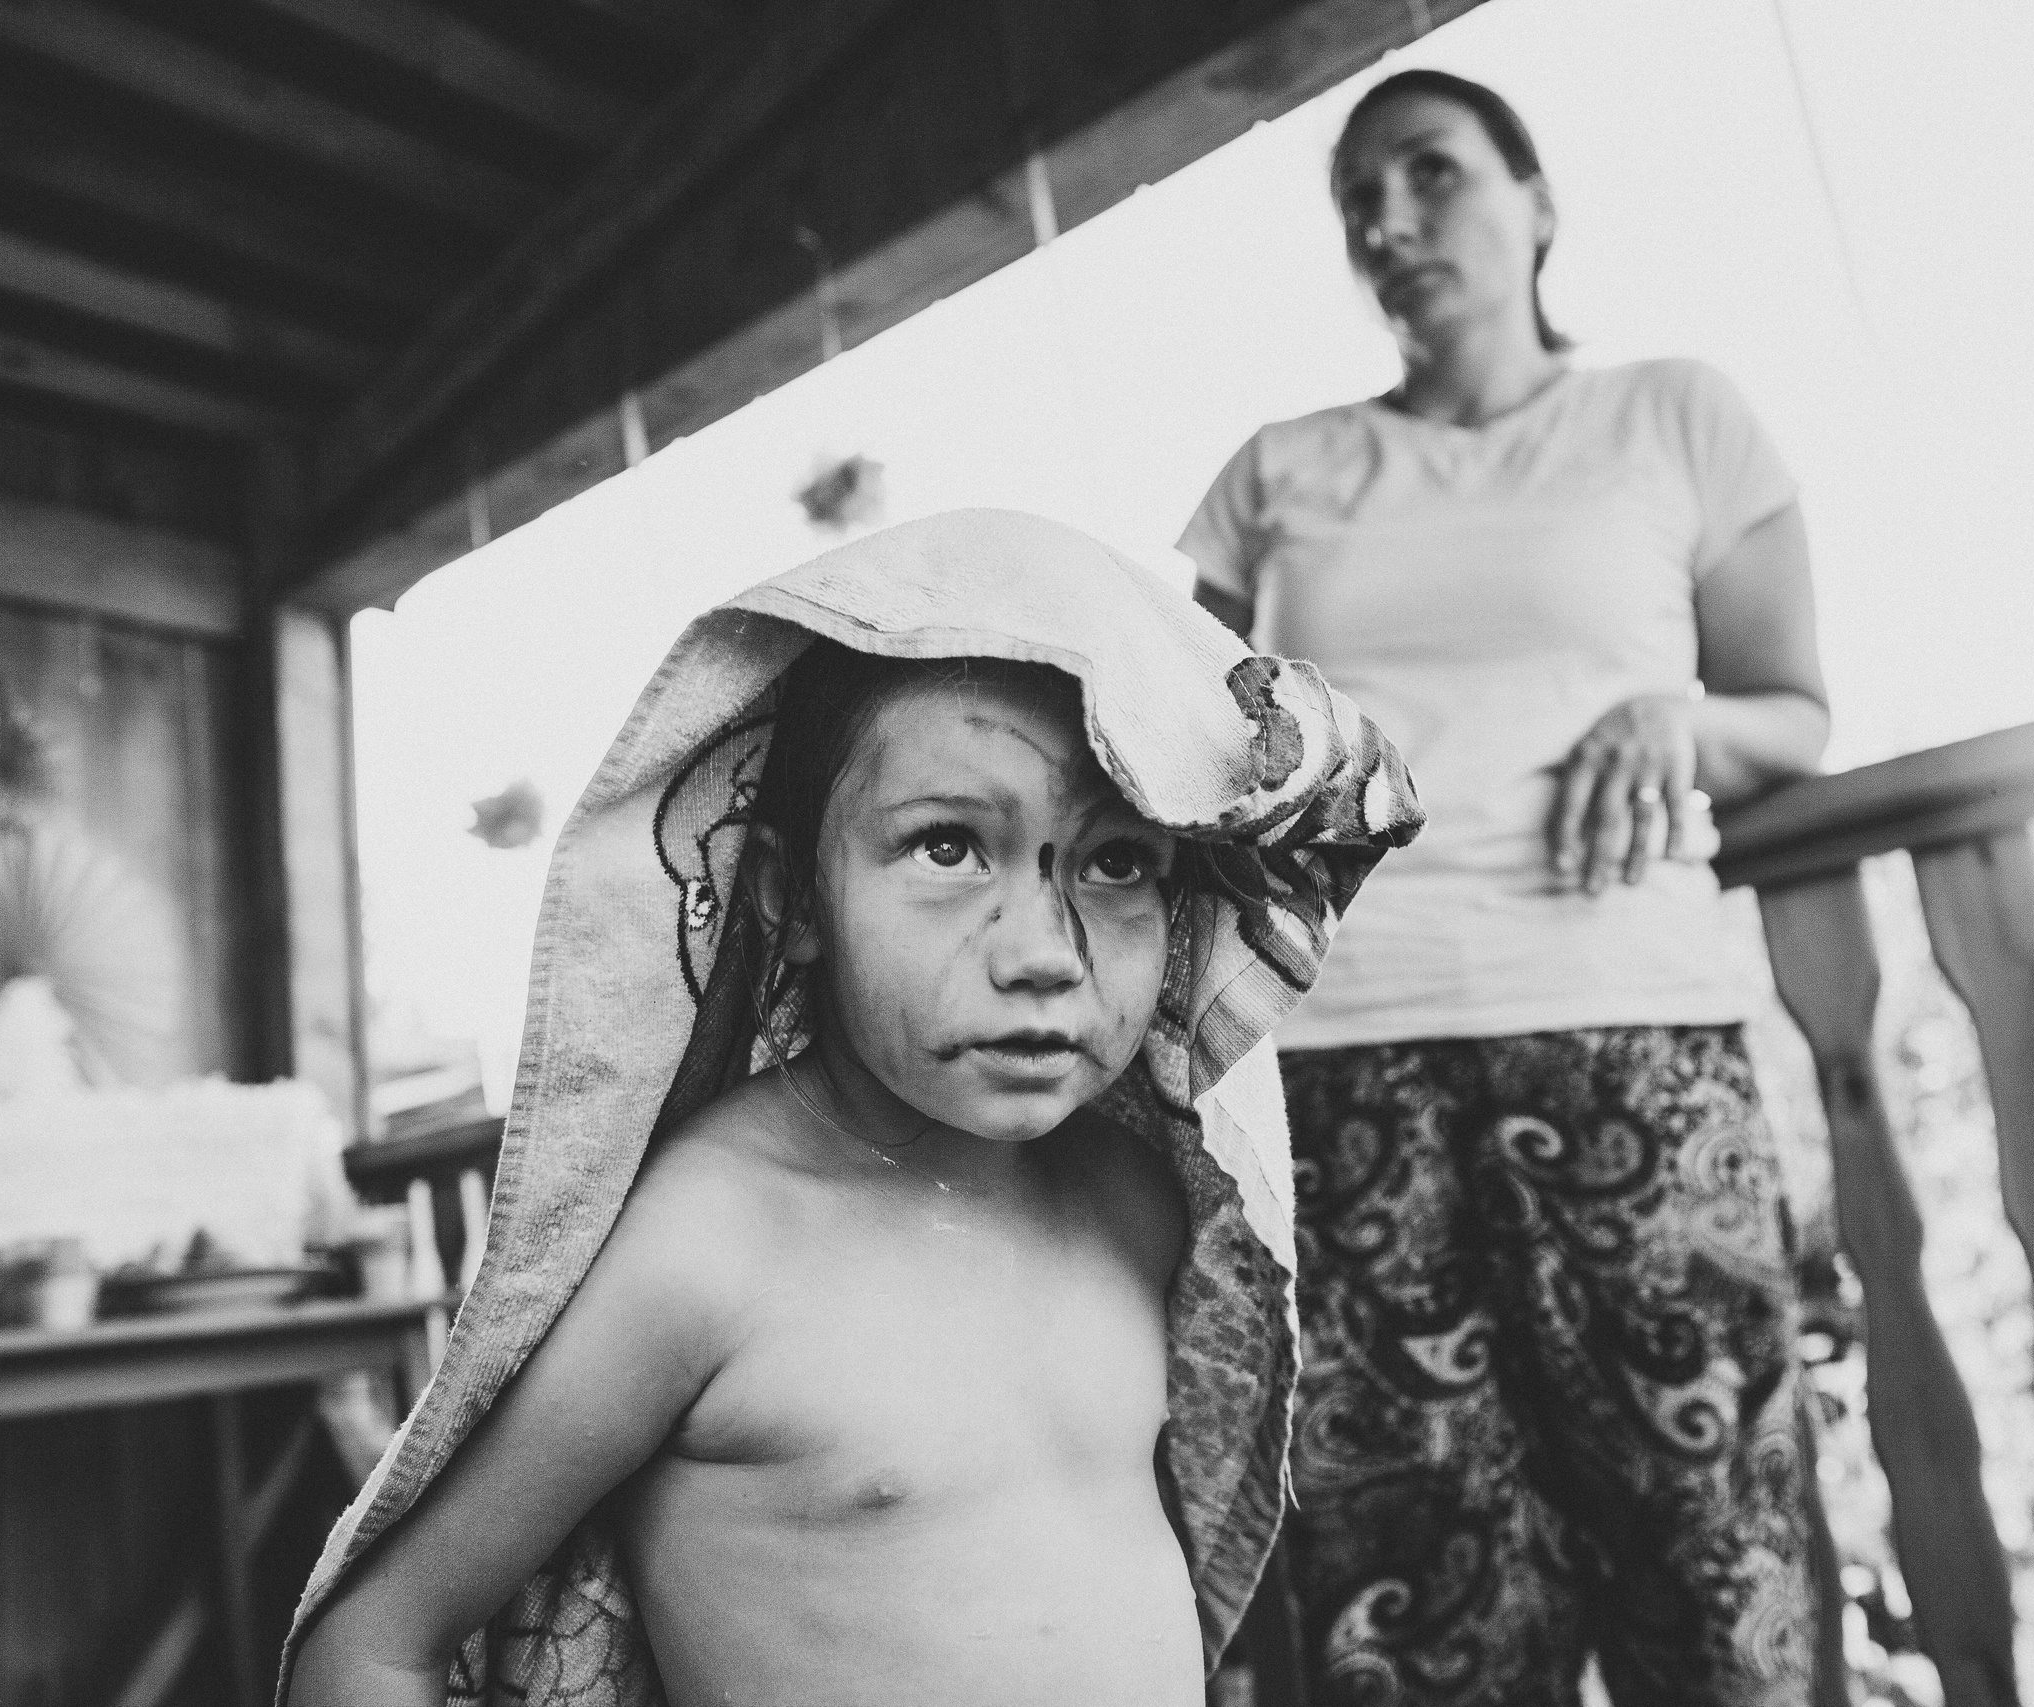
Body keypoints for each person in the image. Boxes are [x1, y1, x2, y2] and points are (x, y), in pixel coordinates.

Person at [281, 510, 1421, 1707]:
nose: (1042, 952)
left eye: (1118, 862)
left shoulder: (1138, 1202)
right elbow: (375, 1644)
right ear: (791, 899)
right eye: (944, 847)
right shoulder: (712, 1247)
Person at [1180, 69, 1830, 1707]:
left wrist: (1681, 718)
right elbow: (1162, 721)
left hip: (1637, 1051)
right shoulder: (1281, 470)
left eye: (1431, 175)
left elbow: (1796, 716)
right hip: (1334, 1073)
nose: (1391, 225)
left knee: (1721, 1583)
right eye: (1359, 206)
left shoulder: (1676, 414)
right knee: (1415, 1634)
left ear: (1537, 199)